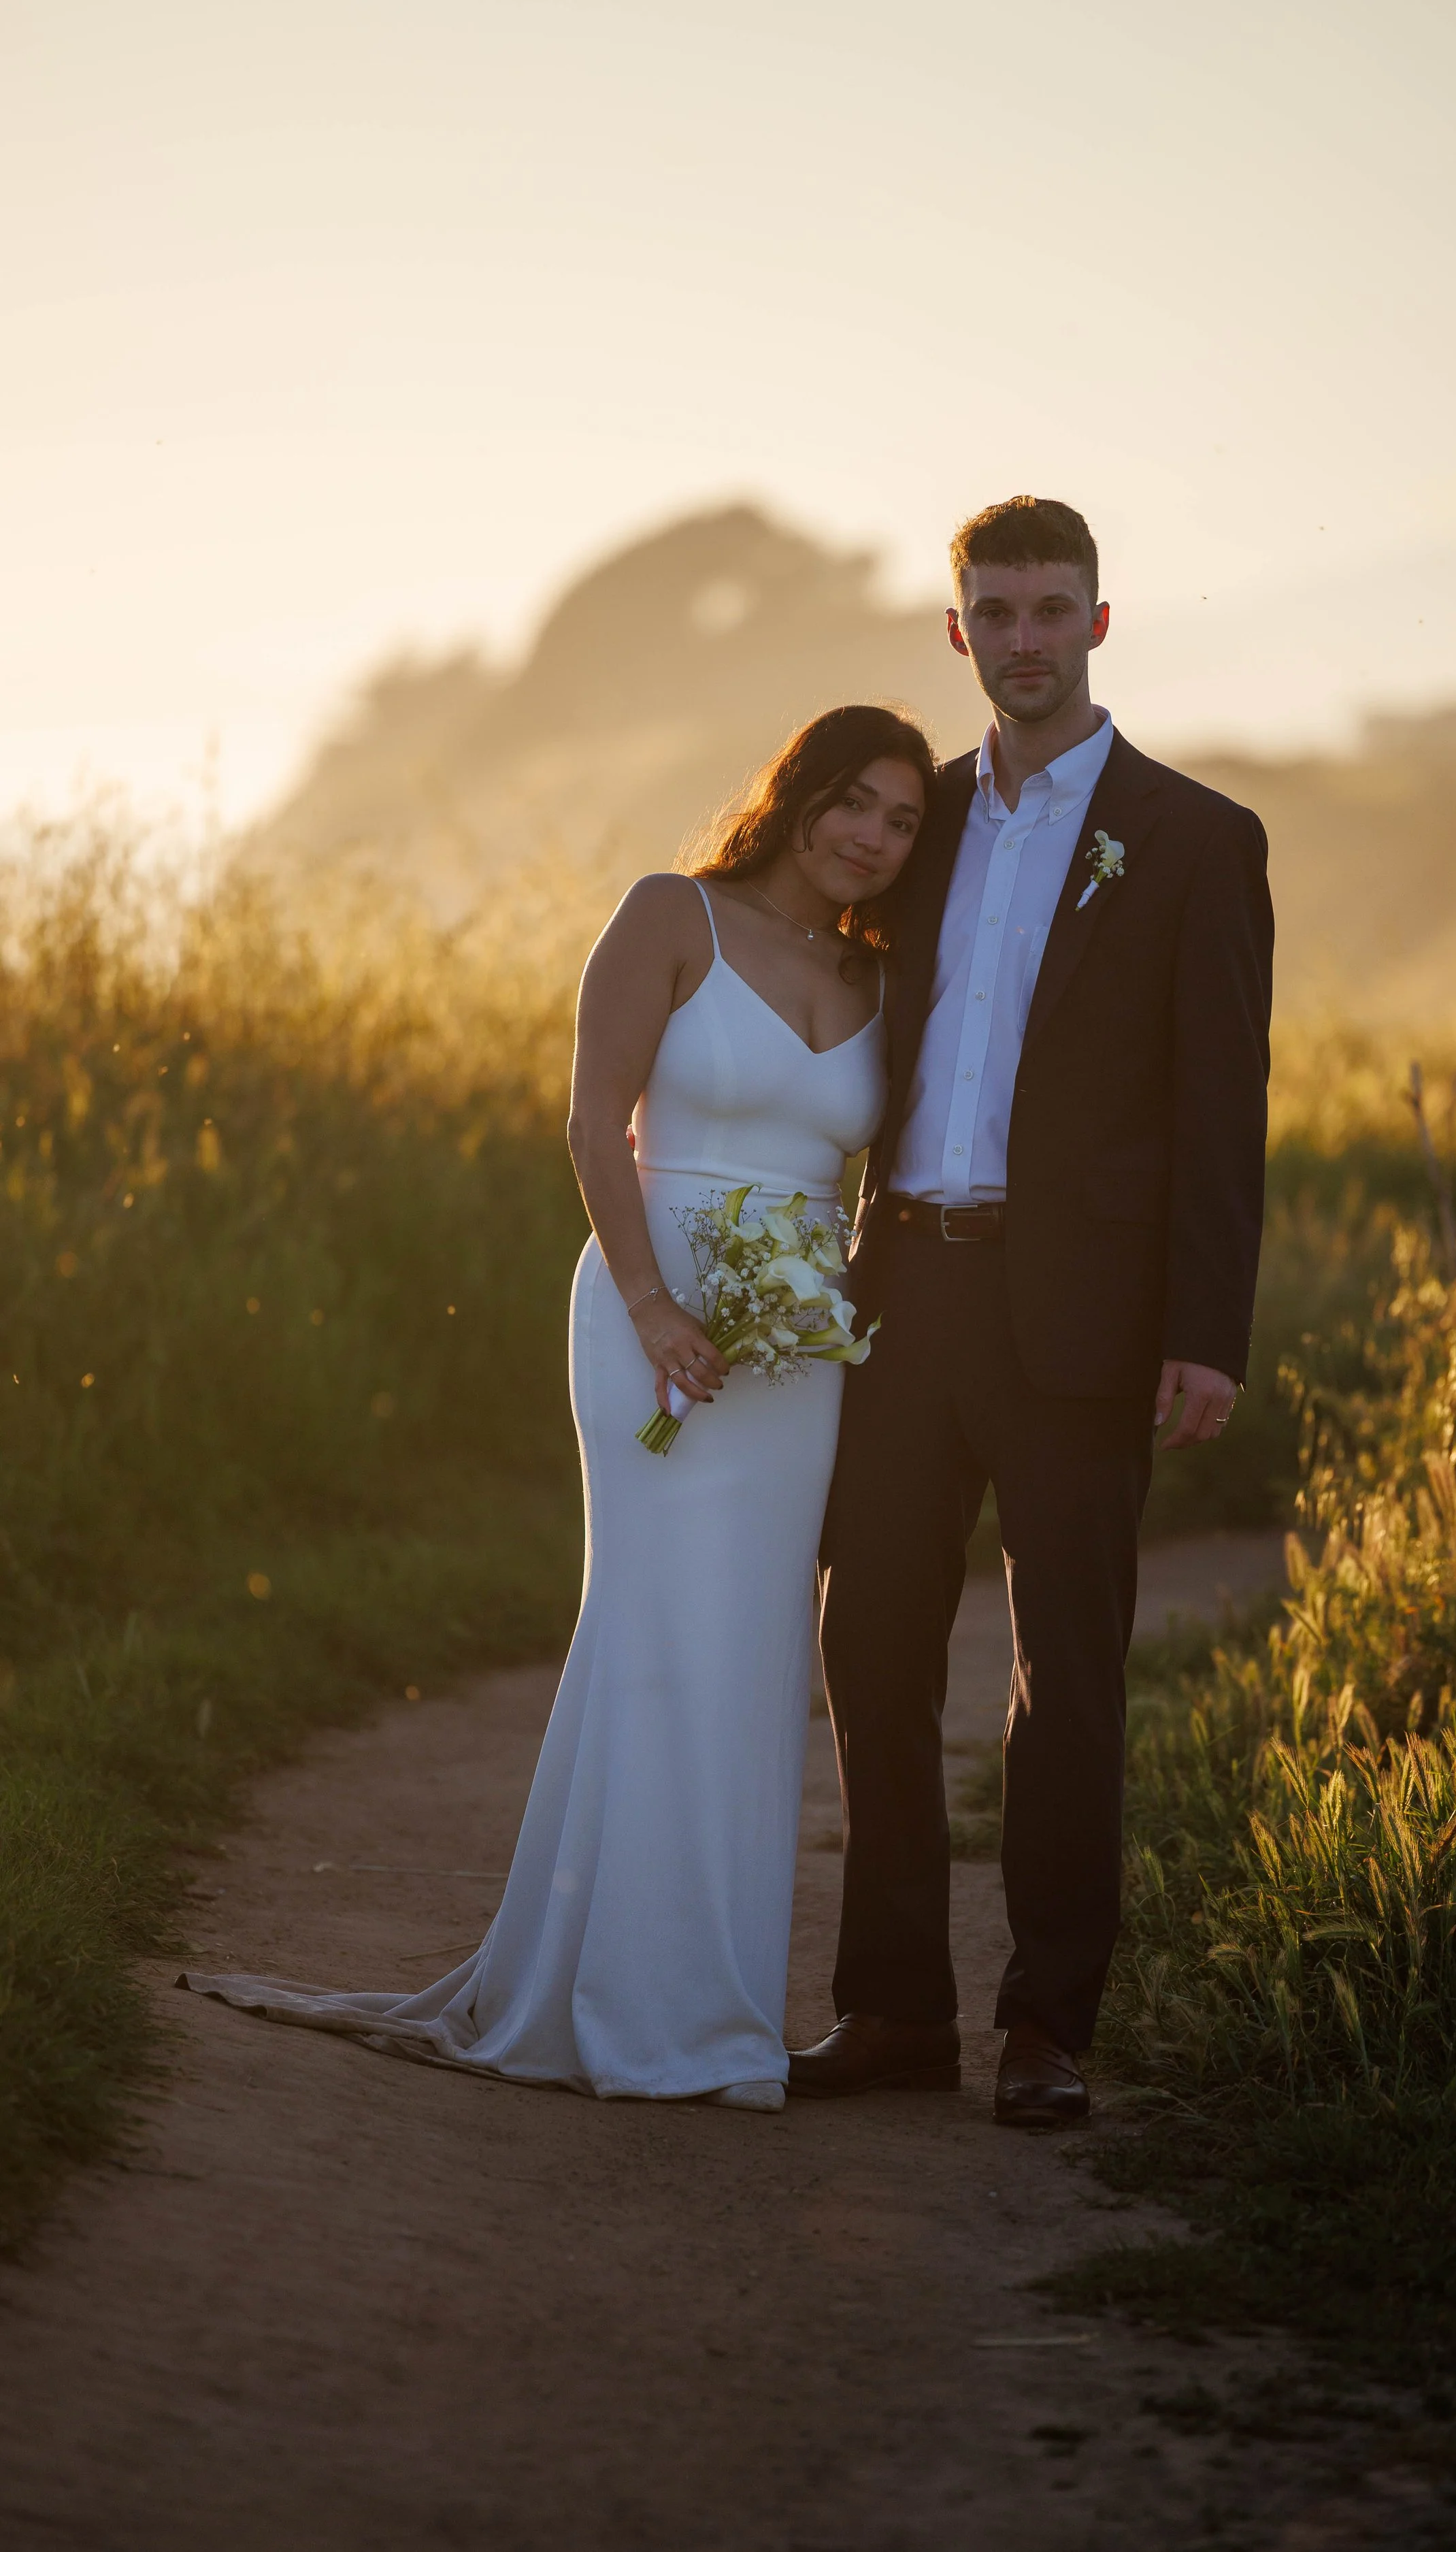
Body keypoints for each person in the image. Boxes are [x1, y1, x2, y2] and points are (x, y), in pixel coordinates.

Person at [182, 704, 931, 2112]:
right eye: (852, 803)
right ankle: (619, 2004)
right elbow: (594, 1124)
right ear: (797, 792)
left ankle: (706, 2009)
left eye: (900, 822)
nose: (870, 839)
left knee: (752, 1648)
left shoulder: (883, 977)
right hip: (650, 1304)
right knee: (655, 1631)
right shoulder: (671, 916)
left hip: (790, 1347)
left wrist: (809, 1304)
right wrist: (654, 1304)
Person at [790, 497, 1274, 2128]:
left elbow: (1222, 1102)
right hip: (904, 1293)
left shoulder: (1197, 837)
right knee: (868, 1647)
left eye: (1048, 610)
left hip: (1084, 1315)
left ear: (1098, 622)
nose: (1020, 640)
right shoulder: (911, 825)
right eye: (990, 613)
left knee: (1063, 1677)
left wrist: (1204, 1328)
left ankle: (1045, 2026)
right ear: (955, 634)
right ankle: (890, 2010)